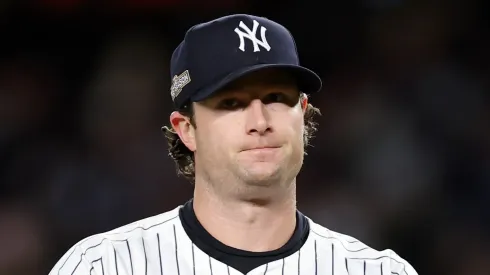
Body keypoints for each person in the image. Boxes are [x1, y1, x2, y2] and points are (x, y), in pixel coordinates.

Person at [49, 14, 418, 275]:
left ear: (303, 113)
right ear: (186, 129)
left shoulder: (377, 271)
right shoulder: (106, 266)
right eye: (231, 103)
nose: (259, 122)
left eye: (276, 97)